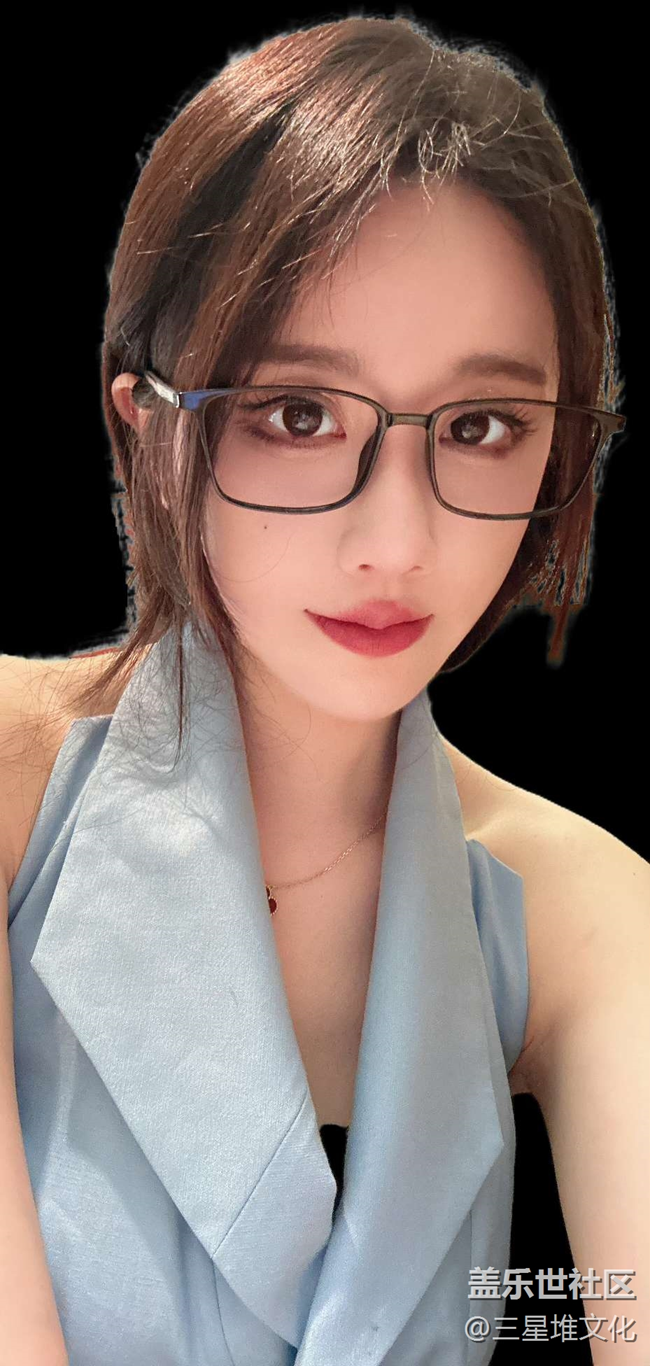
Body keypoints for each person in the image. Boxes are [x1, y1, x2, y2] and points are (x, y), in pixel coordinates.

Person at [1, 13, 646, 1366]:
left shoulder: (570, 905)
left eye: (480, 427)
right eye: (298, 414)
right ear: (145, 424)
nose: (396, 541)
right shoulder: (9, 784)